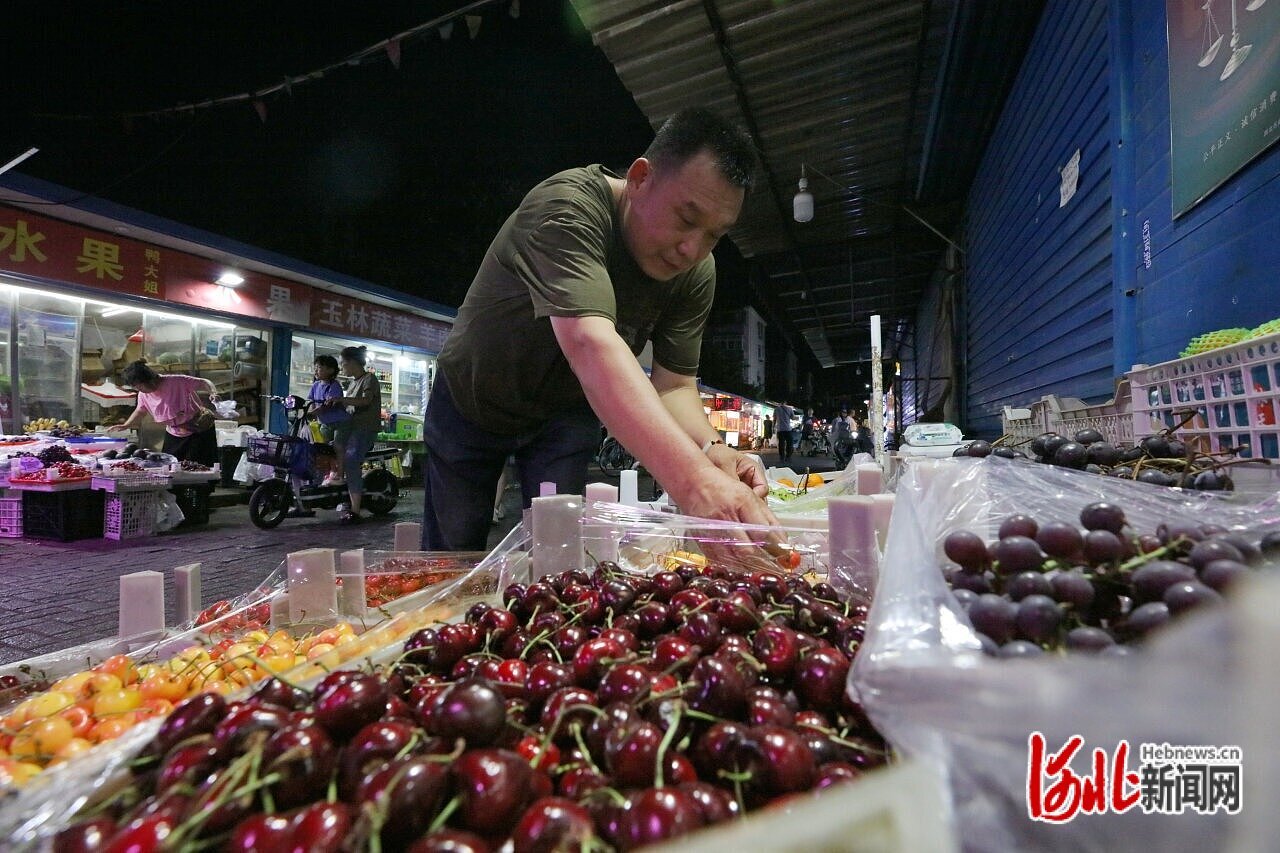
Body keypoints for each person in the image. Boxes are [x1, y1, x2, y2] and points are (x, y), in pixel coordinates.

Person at [421, 107, 776, 551]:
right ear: (641, 178)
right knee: (452, 553)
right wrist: (694, 482)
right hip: (474, 397)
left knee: (558, 551)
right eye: (687, 219)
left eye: (714, 236)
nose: (692, 249)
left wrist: (711, 449)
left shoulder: (696, 271)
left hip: (566, 411)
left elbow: (674, 385)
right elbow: (589, 342)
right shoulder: (568, 208)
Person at [319, 346, 382, 524]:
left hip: (365, 429)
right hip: (350, 428)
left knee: (351, 460)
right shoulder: (353, 383)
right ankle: (341, 488)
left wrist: (342, 399)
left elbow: (366, 401)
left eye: (343, 364)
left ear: (353, 362)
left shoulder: (369, 379)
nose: (341, 367)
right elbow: (349, 406)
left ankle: (355, 510)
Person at [114, 360, 218, 465]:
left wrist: (213, 393)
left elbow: (204, 382)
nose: (139, 389)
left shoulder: (176, 381)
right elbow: (140, 411)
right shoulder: (143, 395)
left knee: (200, 466)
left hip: (198, 430)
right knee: (172, 465)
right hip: (174, 433)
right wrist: (126, 425)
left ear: (149, 379)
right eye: (136, 387)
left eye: (139, 386)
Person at [307, 355, 350, 485]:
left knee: (338, 446)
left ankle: (340, 476)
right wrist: (310, 413)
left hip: (341, 423)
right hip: (325, 423)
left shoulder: (334, 385)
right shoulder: (315, 385)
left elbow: (327, 406)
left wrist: (312, 413)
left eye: (319, 368)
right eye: (315, 367)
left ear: (331, 370)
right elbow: (311, 402)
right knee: (321, 449)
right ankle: (324, 475)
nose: (316, 370)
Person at [773, 400, 794, 464]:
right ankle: (788, 456)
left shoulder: (776, 409)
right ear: (786, 402)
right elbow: (792, 417)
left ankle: (782, 457)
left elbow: (774, 419)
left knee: (781, 444)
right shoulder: (790, 409)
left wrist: (773, 427)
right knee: (790, 443)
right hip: (788, 429)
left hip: (780, 429)